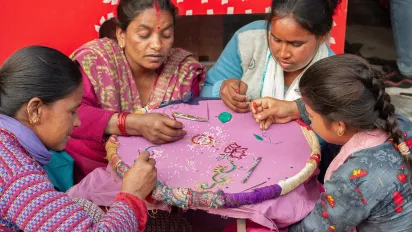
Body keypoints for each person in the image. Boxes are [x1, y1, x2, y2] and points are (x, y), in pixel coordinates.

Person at [0, 46, 157, 231]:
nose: (78, 122)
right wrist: (133, 195)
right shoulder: (17, 175)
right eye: (72, 111)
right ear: (35, 110)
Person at [252, 54, 412, 231]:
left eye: (310, 116)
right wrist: (294, 109)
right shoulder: (394, 120)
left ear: (339, 126)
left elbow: (313, 229)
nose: (308, 119)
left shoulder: (355, 179)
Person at [67, 0, 206, 181]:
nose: (157, 45)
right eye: (144, 34)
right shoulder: (95, 61)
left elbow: (193, 127)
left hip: (162, 176)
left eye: (166, 35)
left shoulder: (184, 72)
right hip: (90, 176)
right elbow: (71, 115)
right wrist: (134, 123)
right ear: (121, 34)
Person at [201, 0, 339, 114]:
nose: (283, 53)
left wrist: (298, 111)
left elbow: (337, 128)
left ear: (322, 37)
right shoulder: (248, 40)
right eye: (276, 39)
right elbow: (204, 92)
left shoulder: (332, 71)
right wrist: (221, 90)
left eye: (296, 44)